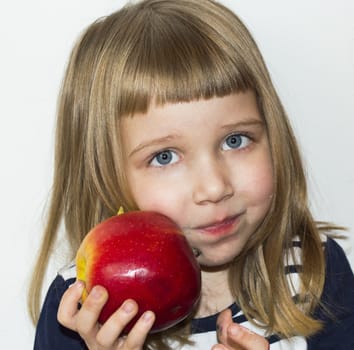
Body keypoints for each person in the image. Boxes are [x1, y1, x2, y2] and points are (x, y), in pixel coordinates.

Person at [28, 0, 354, 349]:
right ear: (103, 174)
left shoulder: (314, 272)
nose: (214, 187)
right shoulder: (82, 309)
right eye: (164, 157)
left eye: (235, 140)